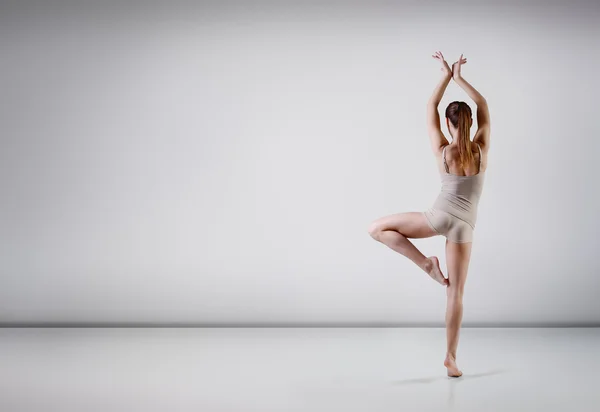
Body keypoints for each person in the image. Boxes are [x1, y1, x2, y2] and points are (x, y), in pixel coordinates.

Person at [367, 51, 490, 378]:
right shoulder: (481, 148)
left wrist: (446, 76)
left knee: (377, 229)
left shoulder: (442, 151)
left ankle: (425, 264)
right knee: (456, 293)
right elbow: (485, 108)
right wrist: (462, 79)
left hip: (439, 216)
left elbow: (428, 109)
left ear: (449, 124)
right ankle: (450, 358)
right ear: (471, 124)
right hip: (464, 227)